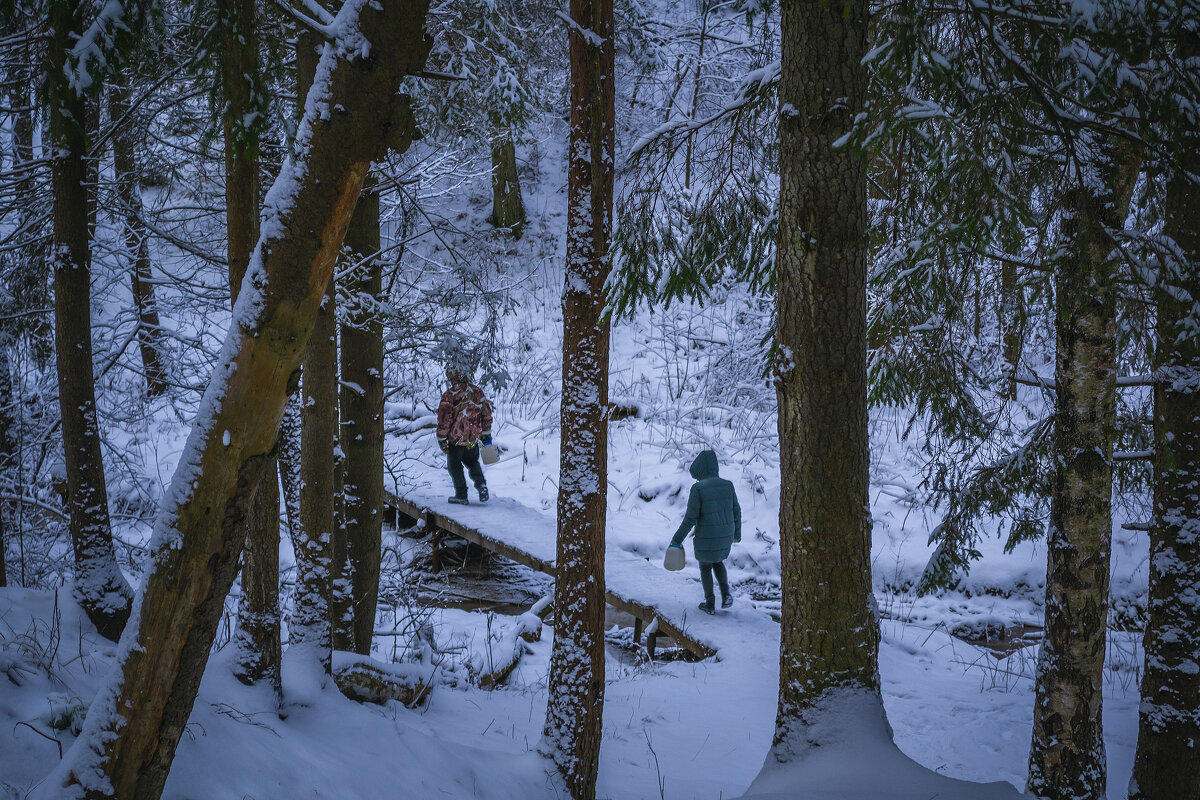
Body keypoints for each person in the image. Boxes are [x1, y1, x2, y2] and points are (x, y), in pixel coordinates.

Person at [668, 449, 741, 614]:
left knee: (705, 565)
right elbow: (736, 511)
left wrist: (677, 539)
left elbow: (690, 519)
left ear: (700, 469)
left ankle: (710, 603)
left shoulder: (698, 488)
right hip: (726, 535)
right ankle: (726, 595)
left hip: (707, 536)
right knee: (718, 561)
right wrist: (737, 534)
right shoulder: (728, 485)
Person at [436, 368, 493, 505]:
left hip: (456, 439)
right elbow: (486, 413)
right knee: (473, 463)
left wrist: (442, 438)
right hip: (473, 439)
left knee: (454, 466)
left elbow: (444, 419)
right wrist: (486, 432)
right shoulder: (477, 392)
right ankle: (482, 485)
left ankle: (461, 495)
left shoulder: (449, 395)